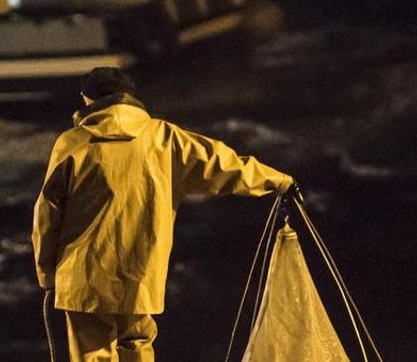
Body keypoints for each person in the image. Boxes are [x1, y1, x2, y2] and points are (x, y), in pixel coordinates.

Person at [33, 67, 295, 362]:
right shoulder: (166, 138)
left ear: (86, 98)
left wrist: (47, 274)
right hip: (140, 274)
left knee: (93, 354)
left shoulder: (72, 143)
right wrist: (278, 180)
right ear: (131, 98)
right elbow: (224, 165)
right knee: (137, 345)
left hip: (83, 276)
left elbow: (47, 214)